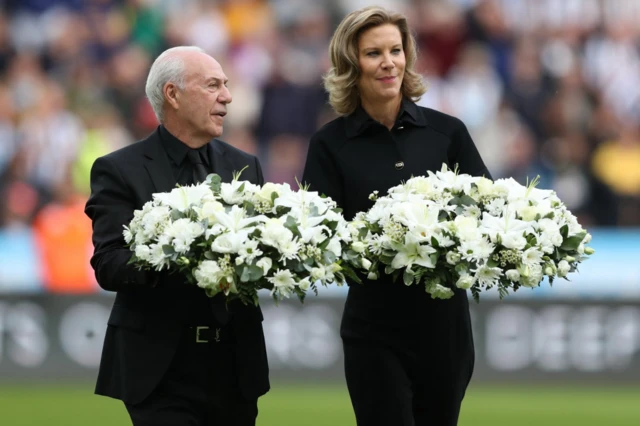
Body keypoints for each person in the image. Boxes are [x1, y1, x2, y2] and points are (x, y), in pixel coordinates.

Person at [302, 7, 492, 426]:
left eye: (396, 50)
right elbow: (321, 237)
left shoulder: (448, 132)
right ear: (351, 65)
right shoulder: (329, 144)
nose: (388, 62)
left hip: (445, 330)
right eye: (373, 53)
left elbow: (488, 213)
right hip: (374, 329)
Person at [85, 46, 269, 426]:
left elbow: (261, 258)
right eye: (213, 85)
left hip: (235, 365)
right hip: (158, 369)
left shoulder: (245, 165)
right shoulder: (118, 169)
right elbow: (108, 264)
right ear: (173, 94)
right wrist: (177, 256)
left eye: (226, 85)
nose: (227, 96)